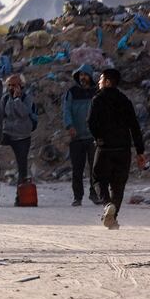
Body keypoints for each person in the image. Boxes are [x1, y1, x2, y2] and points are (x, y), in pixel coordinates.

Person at [87, 68, 146, 229]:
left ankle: (107, 206)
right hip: (123, 149)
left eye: (100, 79)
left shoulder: (97, 99)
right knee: (118, 185)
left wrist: (98, 137)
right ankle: (112, 218)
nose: (98, 82)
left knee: (98, 179)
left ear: (106, 81)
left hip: (105, 148)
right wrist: (140, 151)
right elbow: (134, 126)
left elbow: (91, 122)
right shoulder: (125, 100)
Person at [63, 64, 101, 207]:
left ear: (90, 76)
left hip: (93, 137)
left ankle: (94, 194)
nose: (82, 78)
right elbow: (66, 110)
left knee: (95, 168)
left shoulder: (96, 92)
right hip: (76, 137)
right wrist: (69, 126)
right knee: (77, 169)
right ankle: (77, 197)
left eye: (85, 75)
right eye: (80, 75)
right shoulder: (72, 92)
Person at [0, 74, 38, 187]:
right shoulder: (5, 98)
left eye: (14, 85)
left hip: (22, 136)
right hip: (8, 133)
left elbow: (24, 113)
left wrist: (17, 99)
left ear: (21, 85)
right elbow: (1, 115)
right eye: (9, 85)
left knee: (22, 165)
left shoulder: (27, 98)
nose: (11, 88)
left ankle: (21, 194)